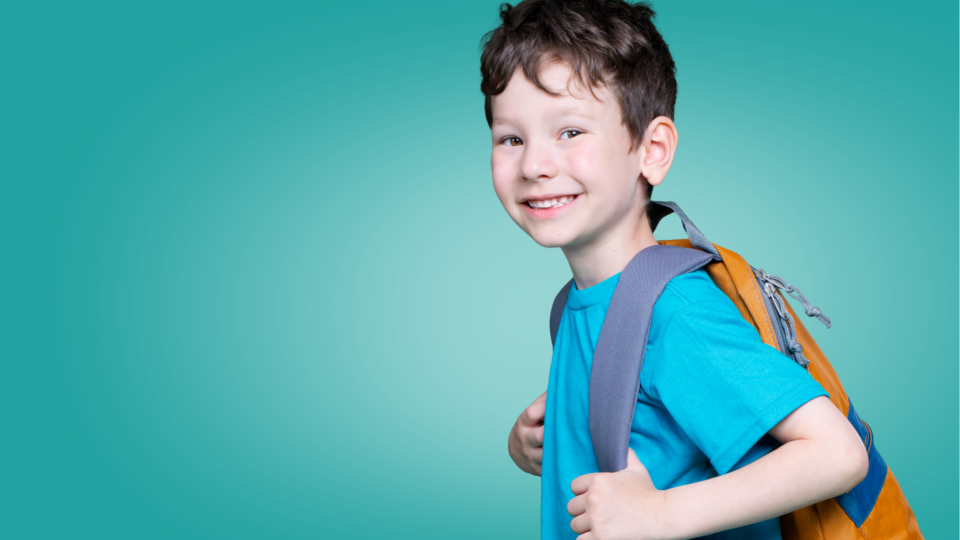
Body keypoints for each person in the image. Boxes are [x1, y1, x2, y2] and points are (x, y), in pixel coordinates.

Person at [480, 1, 870, 539]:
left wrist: (662, 515)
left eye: (570, 132)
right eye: (511, 138)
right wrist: (531, 445)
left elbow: (837, 453)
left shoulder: (674, 314)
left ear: (652, 149)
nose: (534, 165)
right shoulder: (579, 302)